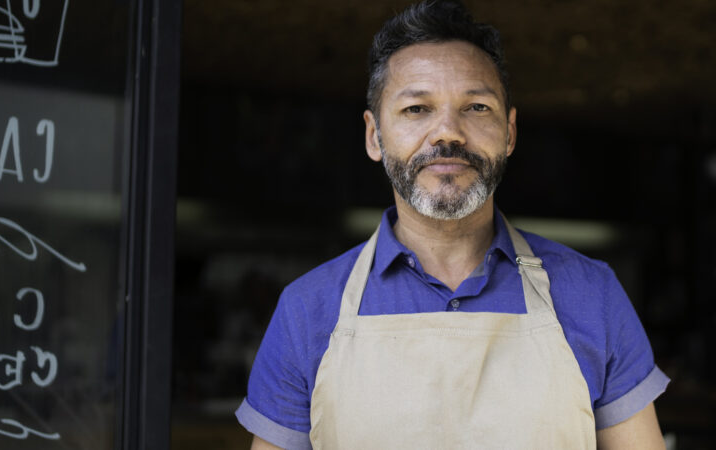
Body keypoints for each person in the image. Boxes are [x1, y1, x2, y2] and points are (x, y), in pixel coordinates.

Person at [238, 1, 669, 448]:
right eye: (416, 109)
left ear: (510, 133)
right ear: (374, 135)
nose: (448, 133)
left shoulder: (592, 296)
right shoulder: (307, 310)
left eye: (477, 107)